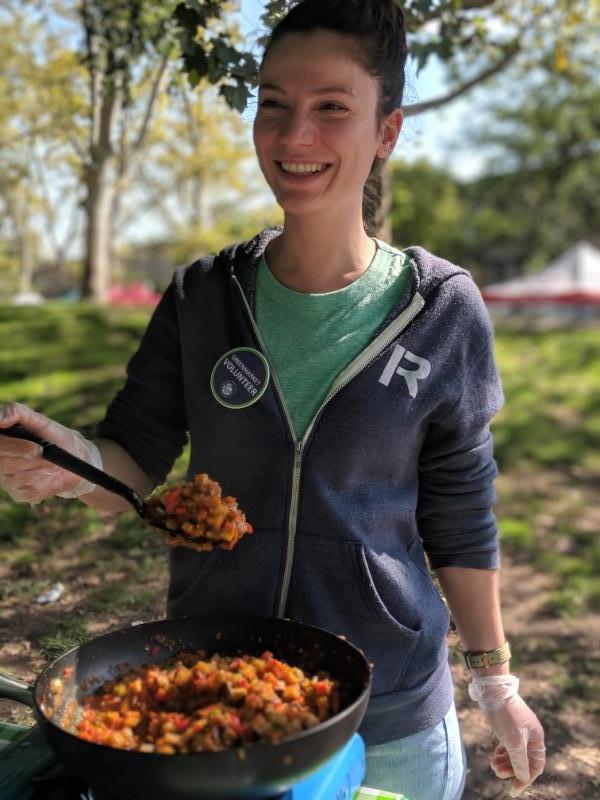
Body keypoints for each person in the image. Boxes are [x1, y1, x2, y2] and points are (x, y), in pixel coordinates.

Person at [0, 1, 545, 797]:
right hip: (216, 703)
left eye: (332, 108)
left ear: (387, 131)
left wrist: (495, 682)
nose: (295, 137)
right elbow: (132, 464)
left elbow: (461, 511)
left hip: (391, 714)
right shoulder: (201, 298)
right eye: (274, 105)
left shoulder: (442, 310)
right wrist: (70, 461)